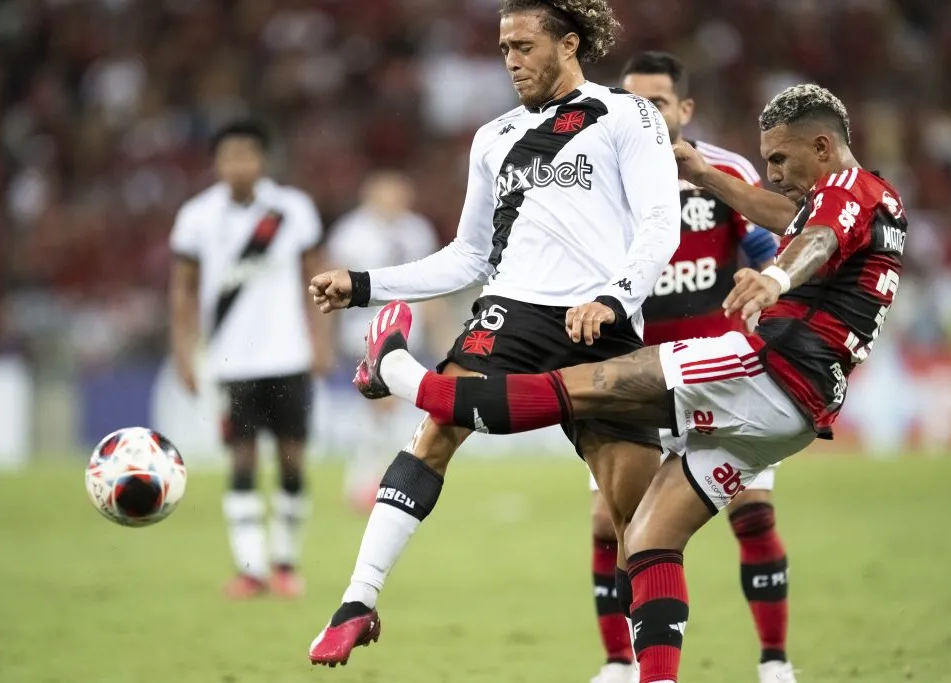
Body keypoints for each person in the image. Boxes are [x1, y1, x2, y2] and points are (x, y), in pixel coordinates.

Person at [354, 83, 907, 683]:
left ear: (823, 145)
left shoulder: (848, 191)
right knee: (647, 538)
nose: (771, 174)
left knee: (588, 386)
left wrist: (774, 278)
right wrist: (703, 170)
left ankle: (398, 371)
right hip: (792, 414)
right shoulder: (872, 200)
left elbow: (816, 240)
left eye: (779, 159)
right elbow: (798, 220)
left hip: (765, 368)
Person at [306, 0, 682, 666]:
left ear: (569, 45)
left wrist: (614, 297)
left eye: (523, 46)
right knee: (433, 434)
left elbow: (661, 226)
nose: (510, 60)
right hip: (513, 311)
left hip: (605, 324)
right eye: (503, 48)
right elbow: (467, 256)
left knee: (643, 525)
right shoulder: (495, 137)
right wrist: (366, 285)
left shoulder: (626, 115)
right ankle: (357, 600)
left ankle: (648, 673)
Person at [585, 52, 793, 683]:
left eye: (658, 103)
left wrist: (765, 280)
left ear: (685, 109)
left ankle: (775, 662)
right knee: (613, 526)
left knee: (752, 513)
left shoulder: (722, 172)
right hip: (639, 380)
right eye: (632, 102)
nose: (645, 114)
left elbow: (768, 247)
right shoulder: (601, 180)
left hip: (723, 377)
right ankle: (620, 664)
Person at [169, 119, 331, 599]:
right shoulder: (196, 217)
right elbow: (181, 290)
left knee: (292, 460)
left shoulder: (292, 209)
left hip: (288, 356)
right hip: (229, 362)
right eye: (229, 155)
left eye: (247, 155)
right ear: (216, 162)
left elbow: (318, 273)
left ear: (262, 160)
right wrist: (183, 351)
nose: (238, 164)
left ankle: (285, 563)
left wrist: (321, 340)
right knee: (240, 462)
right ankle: (250, 568)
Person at [325, 171, 446, 514]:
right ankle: (370, 482)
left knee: (387, 408)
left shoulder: (417, 229)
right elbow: (333, 281)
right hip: (363, 331)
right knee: (383, 404)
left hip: (409, 331)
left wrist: (441, 335)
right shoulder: (351, 232)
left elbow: (432, 284)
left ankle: (372, 480)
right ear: (370, 195)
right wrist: (328, 337)